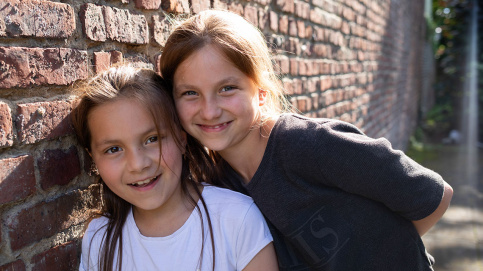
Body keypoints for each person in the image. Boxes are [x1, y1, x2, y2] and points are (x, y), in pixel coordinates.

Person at [159, 9, 454, 271]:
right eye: (190, 93)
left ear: (260, 91)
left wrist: (389, 255)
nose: (209, 110)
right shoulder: (219, 183)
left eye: (227, 88)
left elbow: (434, 195)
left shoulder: (311, 145)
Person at [71, 65, 278, 271]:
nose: (138, 164)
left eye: (152, 139)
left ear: (181, 138)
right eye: (114, 149)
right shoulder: (100, 239)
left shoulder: (236, 219)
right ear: (93, 158)